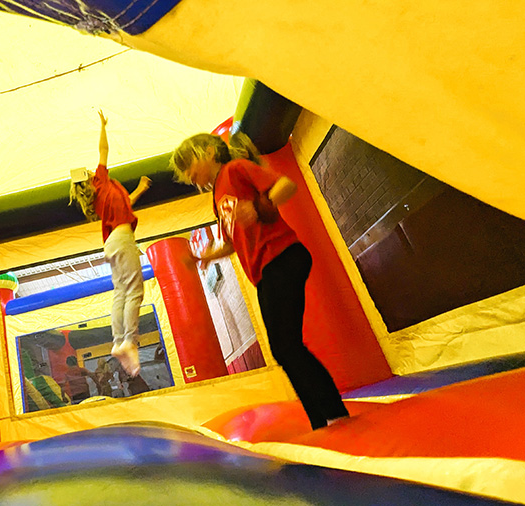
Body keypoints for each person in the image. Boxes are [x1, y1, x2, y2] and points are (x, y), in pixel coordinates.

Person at [170, 132, 349, 430]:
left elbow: (285, 186)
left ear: (210, 153)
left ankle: (332, 413)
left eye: (188, 166)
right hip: (266, 270)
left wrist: (259, 206)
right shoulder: (217, 198)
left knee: (286, 345)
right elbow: (233, 240)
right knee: (283, 348)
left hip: (282, 256)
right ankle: (319, 419)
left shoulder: (235, 170)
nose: (188, 176)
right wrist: (208, 256)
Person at [69, 110, 151, 377]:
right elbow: (103, 149)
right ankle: (128, 339)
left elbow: (125, 206)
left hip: (112, 241)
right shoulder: (101, 180)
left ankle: (118, 342)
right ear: (90, 178)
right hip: (122, 238)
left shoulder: (101, 197)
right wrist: (102, 126)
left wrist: (139, 189)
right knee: (133, 291)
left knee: (120, 292)